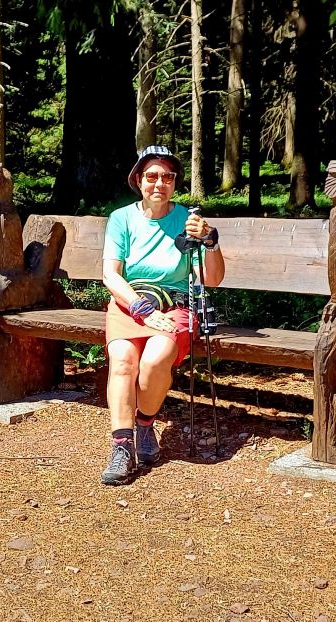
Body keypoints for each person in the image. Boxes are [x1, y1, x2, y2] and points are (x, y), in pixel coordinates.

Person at [100, 145, 225, 485]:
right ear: (138, 179)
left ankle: (144, 424)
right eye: (152, 176)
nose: (159, 183)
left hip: (174, 305)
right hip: (130, 303)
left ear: (174, 182)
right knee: (122, 360)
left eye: (167, 177)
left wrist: (210, 241)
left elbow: (211, 279)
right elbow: (111, 275)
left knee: (155, 361)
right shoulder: (122, 219)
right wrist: (141, 309)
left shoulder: (187, 220)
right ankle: (122, 446)